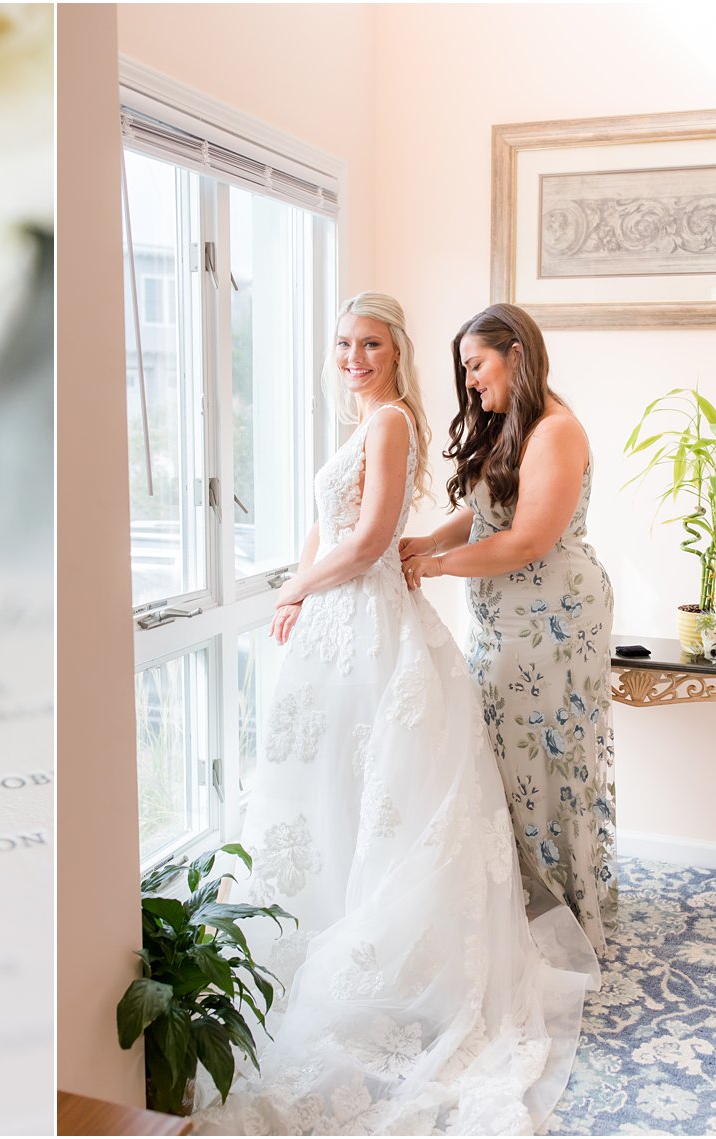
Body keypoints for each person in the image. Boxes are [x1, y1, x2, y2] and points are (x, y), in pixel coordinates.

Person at [194, 293, 596, 1137]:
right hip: (424, 620)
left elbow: (505, 537)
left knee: (527, 775)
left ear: (513, 354)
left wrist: (324, 580)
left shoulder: (428, 424)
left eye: (369, 342)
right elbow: (469, 512)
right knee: (351, 779)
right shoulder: (389, 424)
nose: (353, 355)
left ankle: (570, 910)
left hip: (539, 622)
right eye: (342, 342)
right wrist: (335, 578)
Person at [401, 303, 616, 955]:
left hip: (555, 620)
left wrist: (436, 567)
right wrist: (425, 541)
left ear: (515, 354)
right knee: (503, 751)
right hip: (505, 622)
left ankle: (555, 911)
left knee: (539, 755)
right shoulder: (507, 426)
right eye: (464, 369)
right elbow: (483, 516)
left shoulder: (556, 430)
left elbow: (525, 541)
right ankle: (514, 903)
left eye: (476, 364)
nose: (468, 380)